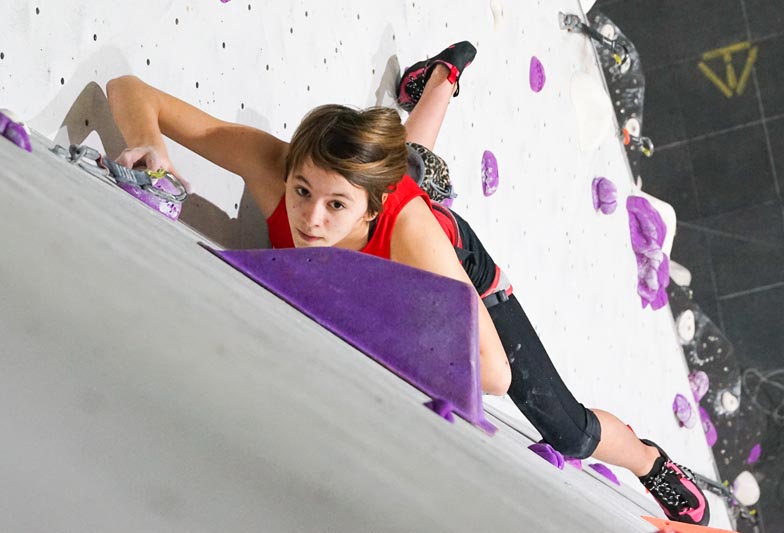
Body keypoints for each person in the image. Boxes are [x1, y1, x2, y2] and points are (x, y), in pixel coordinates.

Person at [106, 41, 709, 526]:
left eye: (335, 205)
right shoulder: (286, 169)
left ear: (371, 210)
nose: (309, 220)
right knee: (406, 162)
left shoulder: (409, 234)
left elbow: (493, 374)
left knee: (568, 431)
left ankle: (650, 461)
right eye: (301, 192)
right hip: (393, 199)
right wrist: (150, 149)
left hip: (452, 258)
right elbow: (130, 91)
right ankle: (440, 77)